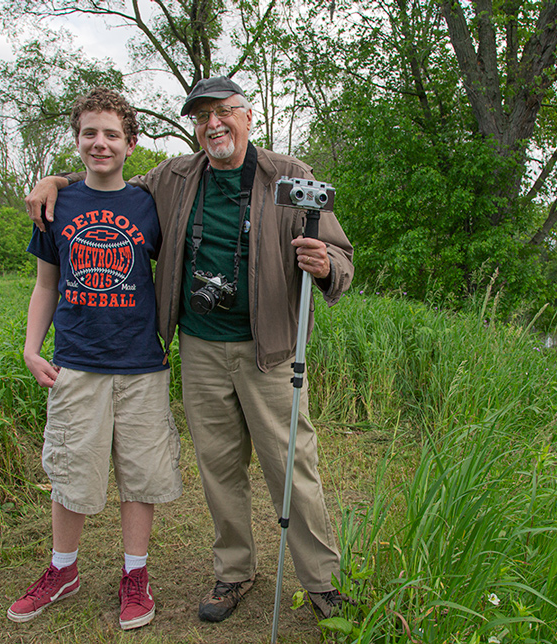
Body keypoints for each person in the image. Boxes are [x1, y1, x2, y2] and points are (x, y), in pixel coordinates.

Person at [26, 76, 354, 623]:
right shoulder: (175, 177)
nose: (214, 124)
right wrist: (53, 180)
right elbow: (106, 174)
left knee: (291, 465)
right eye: (202, 117)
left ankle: (323, 583)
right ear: (195, 127)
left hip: (268, 350)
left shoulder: (290, 176)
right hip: (199, 347)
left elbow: (341, 255)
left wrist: (327, 267)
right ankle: (234, 572)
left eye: (225, 112)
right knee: (219, 469)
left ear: (248, 117)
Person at [10, 88, 182, 630]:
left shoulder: (147, 204)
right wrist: (31, 348)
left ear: (131, 144)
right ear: (77, 140)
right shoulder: (56, 205)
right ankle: (63, 569)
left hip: (140, 364)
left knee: (141, 475)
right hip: (76, 363)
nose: (100, 143)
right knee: (72, 473)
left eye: (111, 134)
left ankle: (136, 574)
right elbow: (45, 285)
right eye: (90, 133)